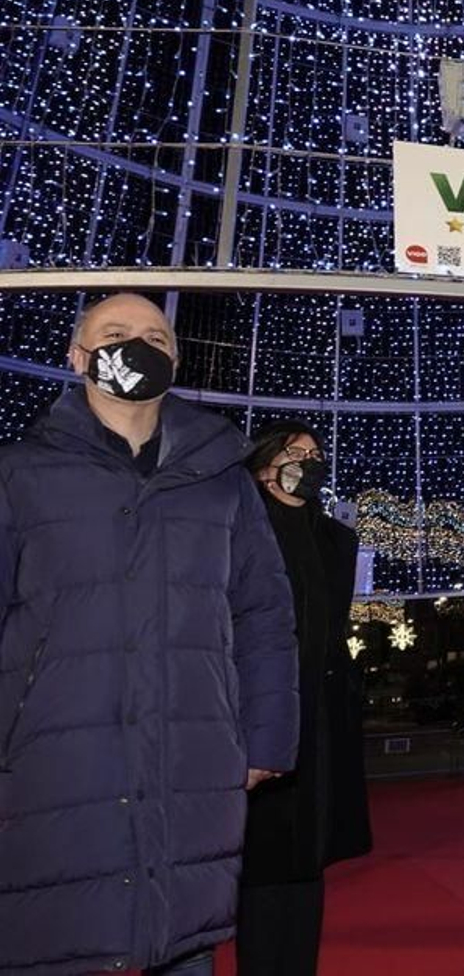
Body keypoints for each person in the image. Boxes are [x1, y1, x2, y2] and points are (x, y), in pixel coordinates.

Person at [0, 293, 299, 975]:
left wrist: (266, 738)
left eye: (155, 337)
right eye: (114, 332)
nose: (137, 345)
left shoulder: (223, 481)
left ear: (176, 360)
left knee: (181, 936)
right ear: (78, 357)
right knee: (55, 934)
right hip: (53, 764)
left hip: (192, 756)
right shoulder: (17, 474)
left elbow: (263, 613)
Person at [236, 421, 373, 975]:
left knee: (309, 858)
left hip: (319, 722)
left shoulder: (334, 539)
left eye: (315, 454)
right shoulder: (238, 533)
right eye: (295, 452)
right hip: (258, 719)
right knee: (262, 861)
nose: (308, 462)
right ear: (262, 467)